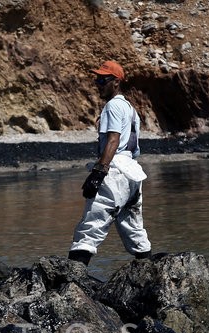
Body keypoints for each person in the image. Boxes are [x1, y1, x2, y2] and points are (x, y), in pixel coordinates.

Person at [68, 60, 150, 266]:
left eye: (103, 80)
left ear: (116, 82)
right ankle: (150, 271)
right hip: (132, 174)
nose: (98, 83)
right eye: (97, 79)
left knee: (90, 228)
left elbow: (113, 140)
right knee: (134, 230)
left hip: (114, 172)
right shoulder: (131, 109)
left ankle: (70, 278)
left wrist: (98, 172)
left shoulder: (112, 106)